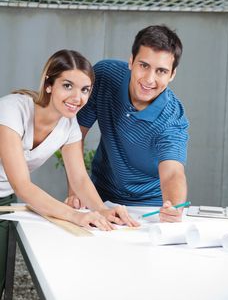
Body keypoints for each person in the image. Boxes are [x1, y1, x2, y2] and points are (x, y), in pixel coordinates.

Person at [0, 49, 138, 298]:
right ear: (49, 84)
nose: (77, 97)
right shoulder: (12, 110)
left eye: (85, 89)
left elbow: (79, 178)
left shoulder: (68, 125)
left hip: (3, 200)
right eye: (68, 85)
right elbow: (22, 185)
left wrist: (101, 209)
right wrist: (75, 216)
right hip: (13, 190)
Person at [76, 25, 189, 223]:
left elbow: (172, 173)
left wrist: (173, 207)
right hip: (99, 195)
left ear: (172, 74)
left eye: (161, 71)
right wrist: (77, 190)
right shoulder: (104, 76)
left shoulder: (172, 118)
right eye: (144, 65)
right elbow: (76, 134)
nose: (149, 79)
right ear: (131, 61)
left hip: (149, 208)